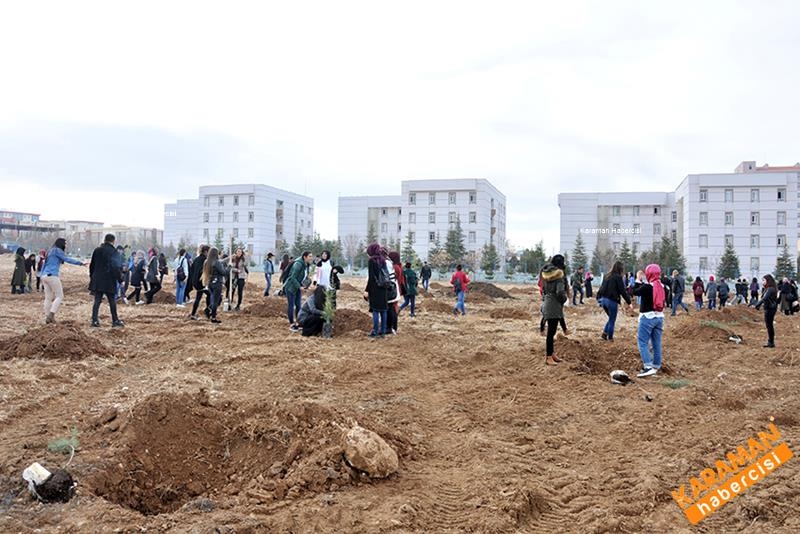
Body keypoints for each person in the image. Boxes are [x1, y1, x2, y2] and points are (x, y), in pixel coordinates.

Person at [632, 264, 666, 377]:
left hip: (647, 317)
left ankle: (648, 366)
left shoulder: (647, 287)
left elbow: (634, 291)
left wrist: (638, 279)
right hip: (659, 317)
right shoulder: (663, 287)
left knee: (642, 342)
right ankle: (656, 365)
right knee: (656, 343)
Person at [40, 238, 85, 323]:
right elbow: (67, 259)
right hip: (52, 275)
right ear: (61, 244)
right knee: (60, 296)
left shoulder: (50, 251)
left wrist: (41, 276)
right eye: (65, 243)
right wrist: (80, 263)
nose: (66, 245)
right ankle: (51, 315)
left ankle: (47, 316)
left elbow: (44, 264)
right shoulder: (57, 250)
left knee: (48, 298)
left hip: (44, 276)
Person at [89, 233, 125, 328]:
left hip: (97, 279)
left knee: (97, 300)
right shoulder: (114, 252)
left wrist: (92, 277)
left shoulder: (97, 250)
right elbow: (116, 267)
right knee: (112, 300)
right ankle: (115, 320)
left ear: (105, 240)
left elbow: (92, 266)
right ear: (113, 241)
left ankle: (94, 321)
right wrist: (120, 280)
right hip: (109, 280)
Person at [541, 254, 568, 365]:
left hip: (547, 303)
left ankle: (551, 354)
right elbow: (560, 292)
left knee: (551, 332)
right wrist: (564, 299)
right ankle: (548, 357)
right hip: (554, 306)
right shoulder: (559, 276)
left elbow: (543, 290)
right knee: (551, 333)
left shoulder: (546, 274)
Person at [596, 261, 631, 341]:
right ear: (620, 269)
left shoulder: (606, 276)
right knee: (612, 319)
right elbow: (623, 291)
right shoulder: (618, 277)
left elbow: (601, 288)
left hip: (603, 300)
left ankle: (604, 334)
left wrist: (598, 299)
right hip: (612, 301)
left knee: (611, 318)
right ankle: (610, 338)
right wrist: (629, 302)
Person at [283, 251, 313, 332]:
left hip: (298, 287)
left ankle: (299, 322)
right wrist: (299, 287)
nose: (311, 258)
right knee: (291, 305)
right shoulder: (298, 264)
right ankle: (292, 323)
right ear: (304, 257)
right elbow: (292, 277)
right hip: (291, 287)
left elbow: (303, 277)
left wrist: (305, 285)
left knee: (299, 305)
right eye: (310, 256)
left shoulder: (305, 265)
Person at [364, 243, 389, 338]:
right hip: (384, 288)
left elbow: (371, 278)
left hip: (375, 289)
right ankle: (382, 332)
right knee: (383, 310)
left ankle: (375, 331)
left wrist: (367, 290)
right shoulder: (383, 260)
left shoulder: (371, 261)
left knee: (375, 310)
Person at [750, 274, 778, 347]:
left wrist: (757, 305)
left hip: (770, 309)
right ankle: (770, 341)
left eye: (763, 280)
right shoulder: (768, 288)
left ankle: (771, 342)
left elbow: (764, 298)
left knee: (769, 325)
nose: (762, 282)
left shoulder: (770, 289)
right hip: (769, 308)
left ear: (768, 280)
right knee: (769, 325)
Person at [201, 247, 227, 323]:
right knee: (216, 301)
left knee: (216, 299)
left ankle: (209, 309)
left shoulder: (207, 262)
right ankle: (213, 317)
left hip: (210, 283)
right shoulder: (216, 262)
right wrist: (229, 268)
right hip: (217, 283)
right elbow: (223, 272)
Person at [189, 245, 210, 320]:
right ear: (206, 252)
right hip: (201, 282)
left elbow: (192, 270)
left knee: (199, 297)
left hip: (195, 281)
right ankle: (208, 311)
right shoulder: (205, 260)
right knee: (209, 295)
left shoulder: (196, 259)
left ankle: (193, 314)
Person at [386, 251, 404, 333]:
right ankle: (392, 327)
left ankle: (393, 327)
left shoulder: (395, 267)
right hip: (397, 290)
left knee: (392, 309)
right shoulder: (399, 266)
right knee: (393, 308)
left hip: (394, 291)